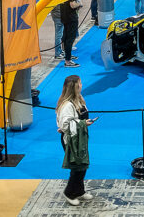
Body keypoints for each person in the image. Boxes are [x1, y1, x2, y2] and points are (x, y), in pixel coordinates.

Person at [56, 75, 95, 206]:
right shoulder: (67, 105)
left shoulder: (79, 99)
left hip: (80, 138)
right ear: (75, 86)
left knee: (82, 166)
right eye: (80, 83)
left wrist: (83, 123)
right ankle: (69, 193)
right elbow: (64, 124)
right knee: (77, 167)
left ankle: (79, 191)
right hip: (72, 141)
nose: (82, 85)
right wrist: (83, 123)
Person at [61, 0, 82, 68]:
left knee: (66, 38)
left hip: (65, 18)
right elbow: (72, 5)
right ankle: (68, 60)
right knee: (70, 39)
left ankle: (67, 55)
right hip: (71, 19)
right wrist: (79, 4)